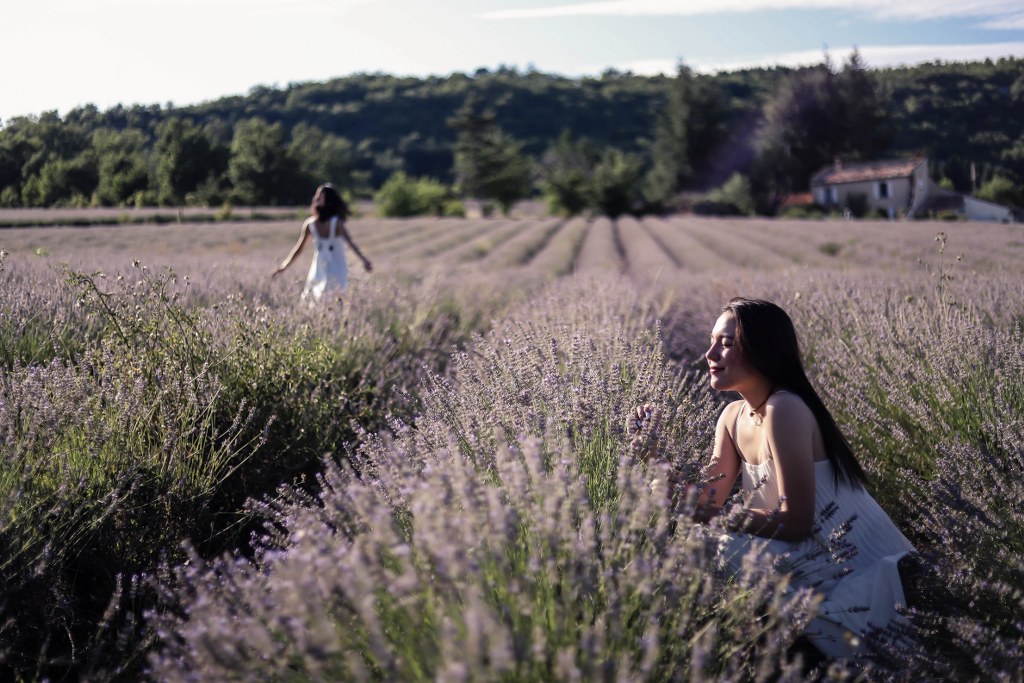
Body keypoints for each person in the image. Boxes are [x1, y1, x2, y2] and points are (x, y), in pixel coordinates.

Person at [635, 297, 915, 659]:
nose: (710, 353)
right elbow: (707, 501)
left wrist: (709, 515)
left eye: (726, 343)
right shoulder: (733, 417)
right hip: (810, 556)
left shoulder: (785, 408)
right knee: (701, 540)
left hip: (859, 568)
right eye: (711, 341)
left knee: (708, 545)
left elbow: (794, 522)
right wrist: (654, 454)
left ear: (763, 350)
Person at [272, 184, 372, 303]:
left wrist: (364, 260)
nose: (316, 198)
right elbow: (299, 249)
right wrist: (284, 266)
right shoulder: (310, 224)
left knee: (335, 298)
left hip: (337, 267)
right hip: (319, 266)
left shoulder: (337, 223)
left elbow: (351, 243)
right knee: (312, 297)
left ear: (328, 200)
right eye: (317, 195)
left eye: (321, 195)